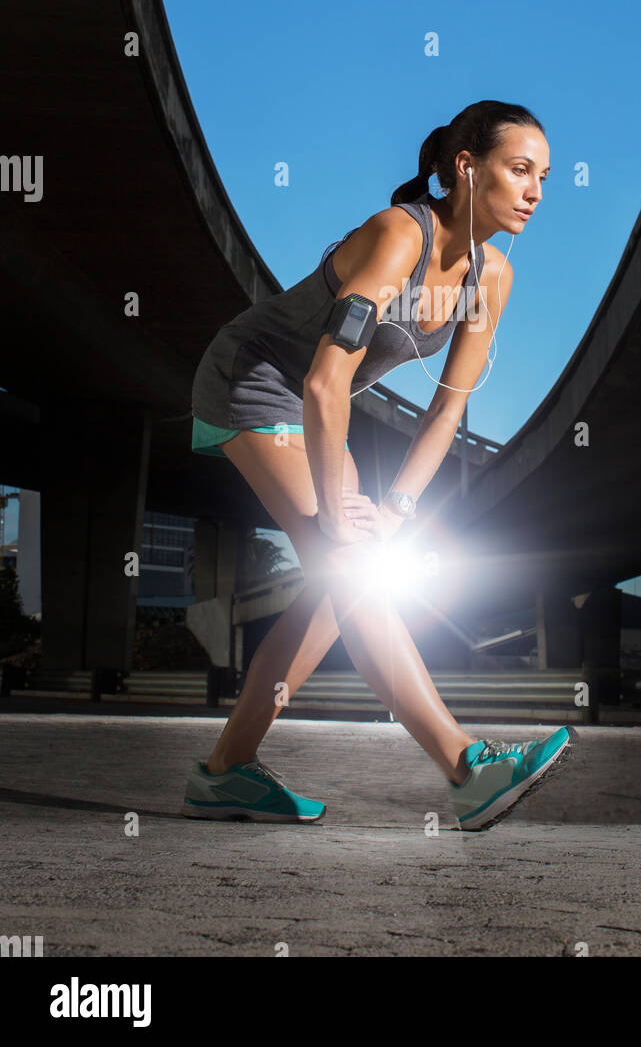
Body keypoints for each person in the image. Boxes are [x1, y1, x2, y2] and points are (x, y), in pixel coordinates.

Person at [182, 99, 573, 831]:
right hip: (250, 381)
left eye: (545, 177)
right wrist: (337, 514)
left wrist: (396, 510)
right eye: (520, 170)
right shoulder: (399, 235)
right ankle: (466, 768)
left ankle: (226, 772)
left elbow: (447, 413)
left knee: (339, 585)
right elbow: (326, 382)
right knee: (350, 563)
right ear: (466, 167)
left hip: (311, 407)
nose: (535, 192)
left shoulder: (491, 282)